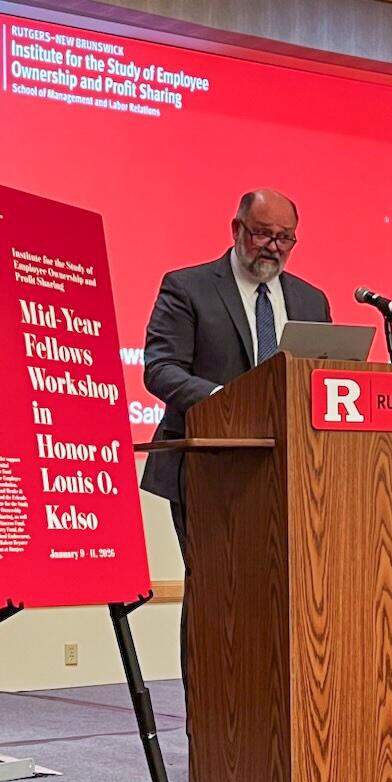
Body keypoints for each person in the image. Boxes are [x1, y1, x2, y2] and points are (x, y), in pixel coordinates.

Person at [141, 188, 331, 681]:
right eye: (263, 233)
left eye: (285, 238)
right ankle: (208, 720)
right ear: (237, 230)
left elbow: (326, 384)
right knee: (216, 596)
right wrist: (229, 398)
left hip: (293, 473)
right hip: (209, 469)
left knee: (287, 594)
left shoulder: (311, 300)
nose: (273, 246)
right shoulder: (188, 288)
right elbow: (160, 369)